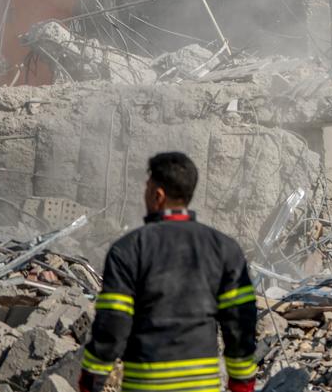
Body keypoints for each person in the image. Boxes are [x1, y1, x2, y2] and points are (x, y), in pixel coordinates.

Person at [79, 152, 258, 392]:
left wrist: (91, 379)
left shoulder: (128, 249)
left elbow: (113, 322)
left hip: (144, 385)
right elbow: (239, 322)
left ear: (158, 195)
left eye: (147, 187)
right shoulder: (224, 248)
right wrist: (242, 382)